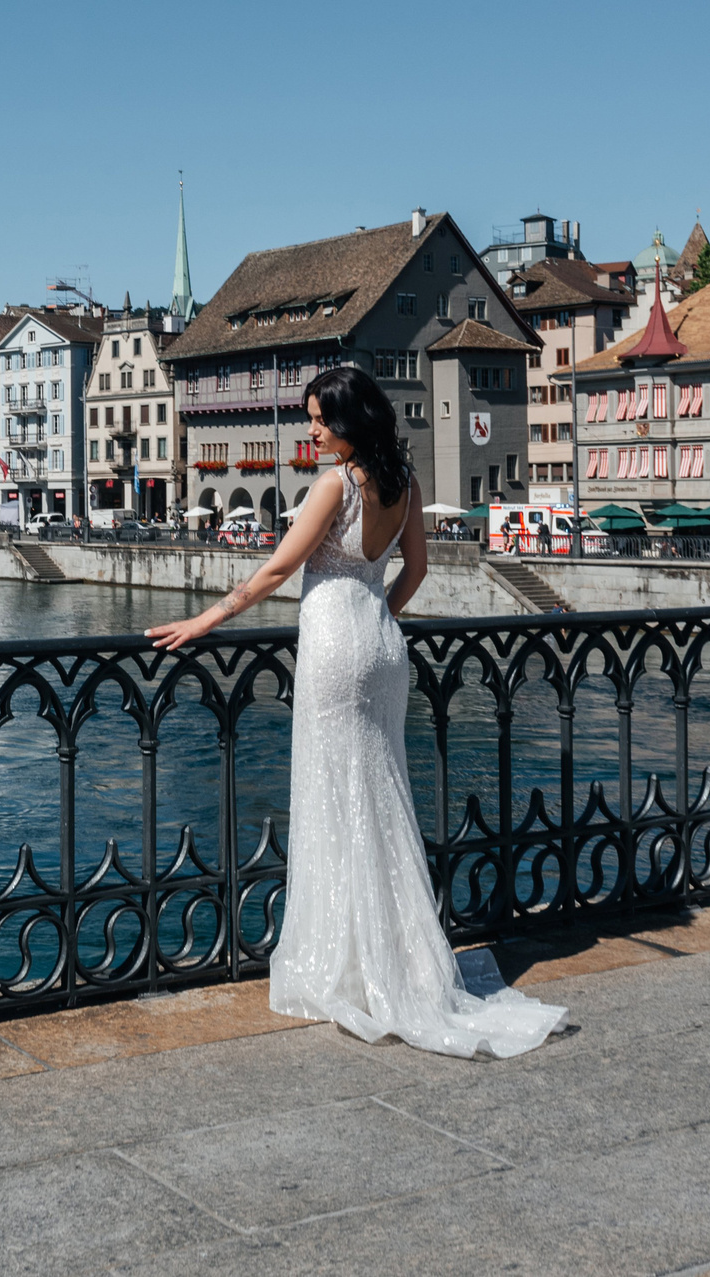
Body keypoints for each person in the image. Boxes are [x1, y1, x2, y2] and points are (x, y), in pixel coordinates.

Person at [146, 366, 569, 1060]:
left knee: (333, 795)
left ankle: (347, 962)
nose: (312, 430)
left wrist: (205, 620)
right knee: (380, 793)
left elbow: (279, 569)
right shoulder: (404, 483)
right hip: (381, 642)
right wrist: (377, 616)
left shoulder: (335, 483)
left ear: (350, 421)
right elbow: (416, 570)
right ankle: (400, 959)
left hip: (335, 648)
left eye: (320, 418)